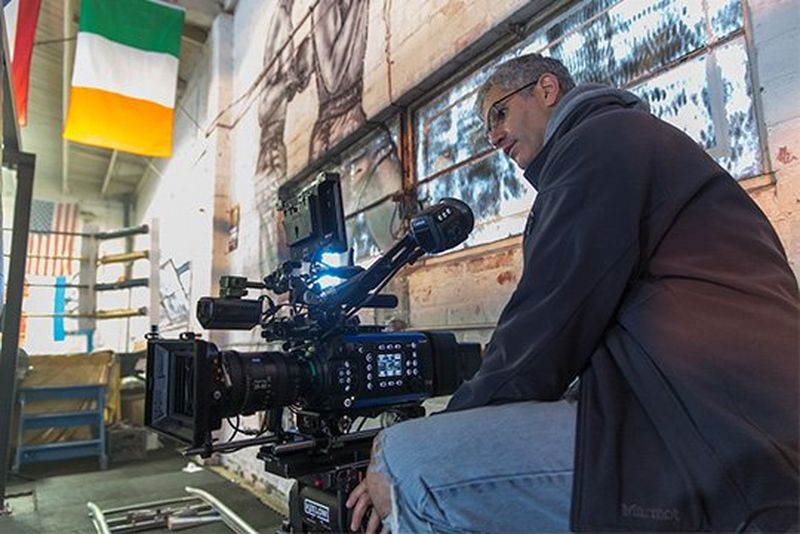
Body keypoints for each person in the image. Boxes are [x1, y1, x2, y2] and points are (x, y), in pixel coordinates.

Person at [346, 53, 799, 532]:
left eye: (498, 113)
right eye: (485, 129)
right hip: (705, 409)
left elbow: (545, 329)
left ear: (546, 90)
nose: (494, 137)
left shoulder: (602, 143)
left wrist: (445, 427)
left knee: (404, 460)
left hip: (707, 428)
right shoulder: (625, 146)